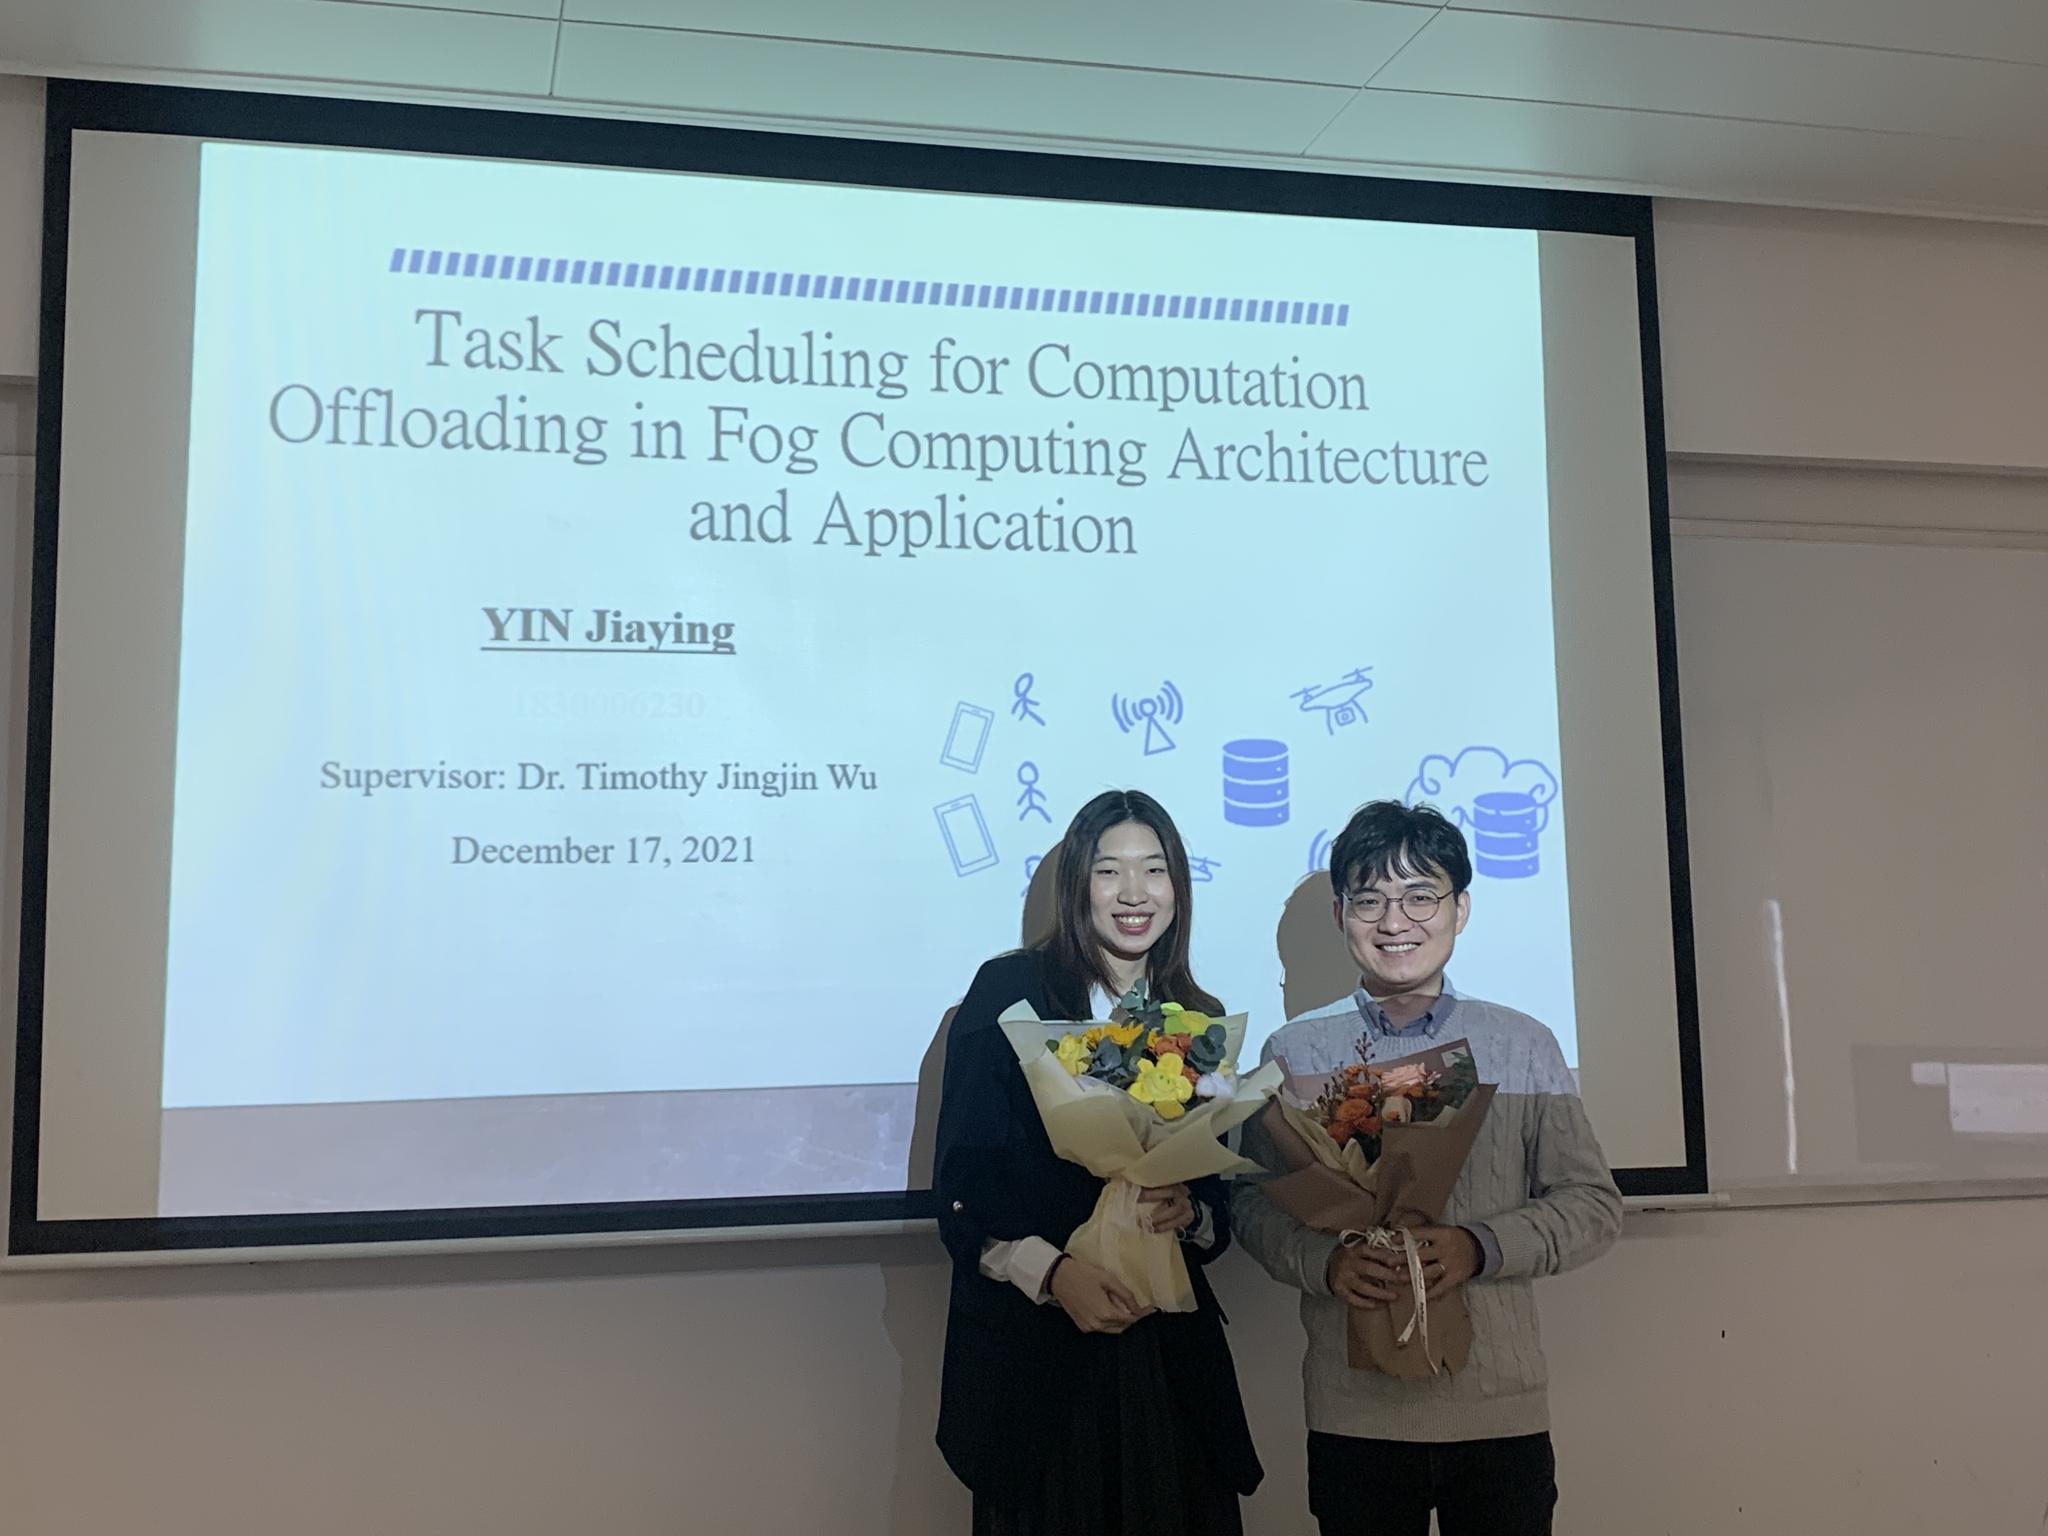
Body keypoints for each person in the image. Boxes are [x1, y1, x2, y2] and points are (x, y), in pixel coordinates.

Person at [1232, 800, 1621, 1536]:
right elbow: (1251, 1204)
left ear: (1459, 909)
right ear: (1341, 915)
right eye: (1369, 900)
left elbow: (1593, 1205)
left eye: (1420, 896)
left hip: (1498, 1411)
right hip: (1354, 1412)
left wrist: (1480, 1246)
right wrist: (1324, 1263)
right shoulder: (1294, 1051)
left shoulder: (1521, 1043)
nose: (1394, 921)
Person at [934, 789, 1263, 1536]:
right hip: (1040, 1369)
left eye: (1155, 869)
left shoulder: (1198, 1017)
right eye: (1109, 871)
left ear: (1178, 887)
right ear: (1077, 885)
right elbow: (962, 1189)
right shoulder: (1011, 995)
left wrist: (1192, 1212)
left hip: (1167, 1358)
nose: (1134, 893)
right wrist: (1054, 1274)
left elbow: (1215, 1203)